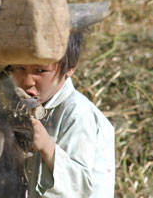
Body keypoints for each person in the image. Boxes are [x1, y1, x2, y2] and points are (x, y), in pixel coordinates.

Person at [10, 32, 115, 197]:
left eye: (40, 70)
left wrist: (46, 145)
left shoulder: (77, 113)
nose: (28, 81)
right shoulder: (17, 105)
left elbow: (81, 187)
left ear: (70, 68)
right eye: (20, 68)